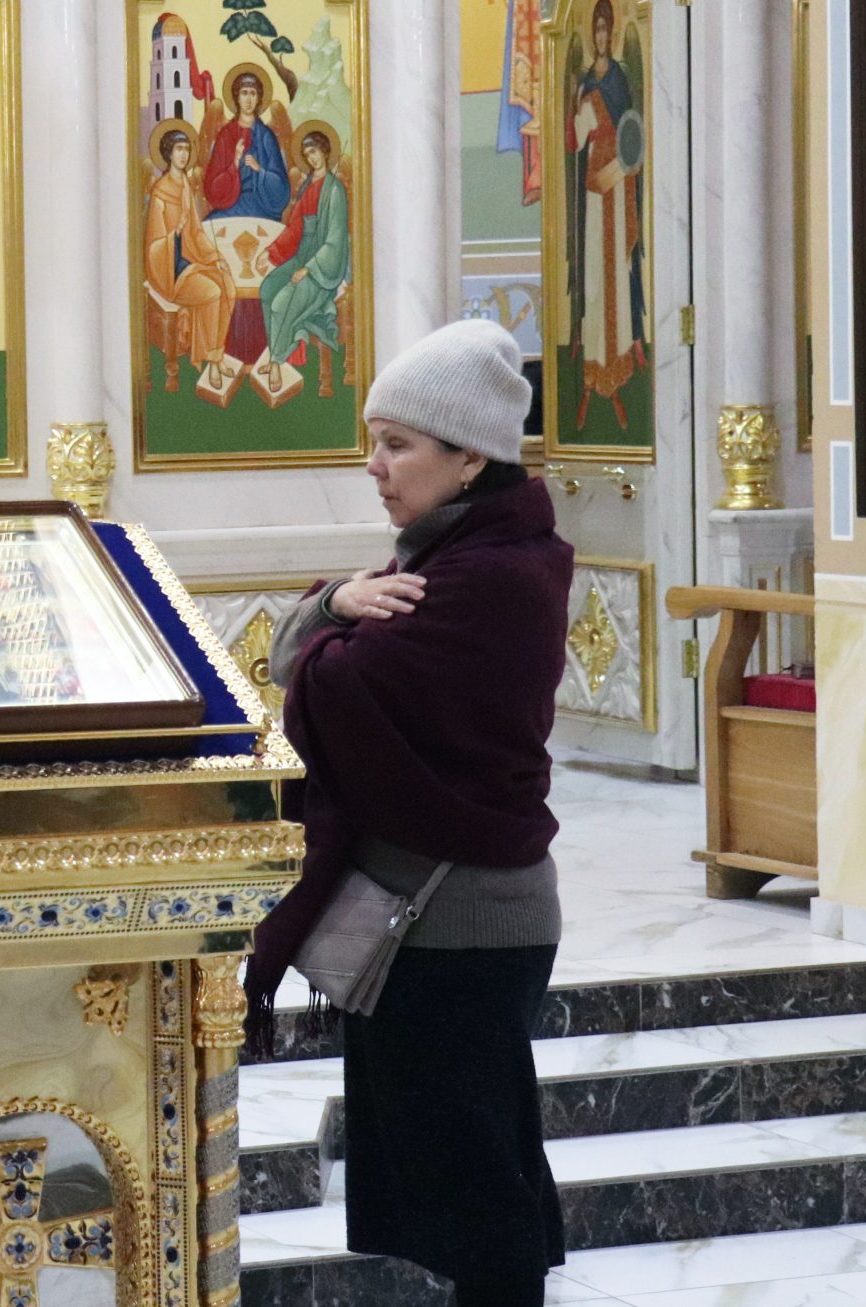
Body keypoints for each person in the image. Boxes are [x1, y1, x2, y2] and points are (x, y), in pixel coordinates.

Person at [248, 317, 574, 1307]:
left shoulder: (490, 577)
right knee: (462, 1176)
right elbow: (309, 667)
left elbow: (324, 691)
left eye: (397, 444)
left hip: (459, 927)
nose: (374, 466)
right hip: (433, 925)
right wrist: (335, 607)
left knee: (478, 1190)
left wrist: (327, 619)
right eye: (373, 441)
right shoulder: (450, 557)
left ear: (468, 455)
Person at [565, 0, 645, 430]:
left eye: (604, 29)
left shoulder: (619, 78)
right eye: (595, 29)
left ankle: (620, 365)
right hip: (595, 192)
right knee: (596, 278)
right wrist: (572, 104)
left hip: (618, 185)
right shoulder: (584, 82)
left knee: (618, 271)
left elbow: (633, 133)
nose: (599, 36)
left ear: (611, 33)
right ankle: (593, 370)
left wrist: (625, 165)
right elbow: (575, 142)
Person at [259, 124, 353, 393]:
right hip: (302, 254)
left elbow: (335, 240)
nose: (313, 158)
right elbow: (295, 228)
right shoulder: (307, 186)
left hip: (323, 266)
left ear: (325, 152)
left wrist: (309, 269)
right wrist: (270, 252)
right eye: (308, 154)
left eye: (315, 152)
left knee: (282, 302)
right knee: (267, 289)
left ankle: (276, 361)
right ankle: (276, 350)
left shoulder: (335, 191)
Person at [145, 121, 230, 388]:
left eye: (186, 149)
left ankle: (217, 353)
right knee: (212, 292)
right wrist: (175, 234)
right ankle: (211, 360)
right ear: (168, 153)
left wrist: (215, 256)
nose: (183, 154)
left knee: (227, 284)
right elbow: (154, 246)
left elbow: (197, 232)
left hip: (189, 260)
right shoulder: (160, 193)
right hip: (168, 270)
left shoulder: (185, 185)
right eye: (178, 149)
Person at [203, 66, 293, 220]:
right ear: (237, 97)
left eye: (253, 93)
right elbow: (212, 187)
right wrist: (235, 163)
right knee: (209, 224)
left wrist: (260, 170)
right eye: (244, 93)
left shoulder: (266, 136)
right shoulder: (226, 135)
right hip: (232, 205)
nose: (249, 100)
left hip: (262, 205)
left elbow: (281, 188)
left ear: (258, 98)